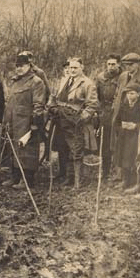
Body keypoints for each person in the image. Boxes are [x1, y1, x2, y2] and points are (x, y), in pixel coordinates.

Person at [51, 57, 98, 189]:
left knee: (76, 151)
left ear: (81, 68)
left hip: (76, 123)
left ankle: (78, 181)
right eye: (70, 67)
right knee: (64, 149)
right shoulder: (65, 81)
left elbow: (92, 105)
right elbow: (55, 97)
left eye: (75, 68)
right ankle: (68, 177)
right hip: (61, 120)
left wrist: (81, 119)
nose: (72, 70)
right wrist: (53, 107)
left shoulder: (88, 83)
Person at [3, 52, 46, 189]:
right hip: (13, 121)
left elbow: (39, 105)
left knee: (27, 151)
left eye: (22, 66)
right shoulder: (15, 81)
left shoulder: (36, 82)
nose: (19, 68)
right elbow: (10, 102)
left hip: (26, 122)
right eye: (17, 66)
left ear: (29, 65)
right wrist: (6, 121)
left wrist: (34, 124)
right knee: (14, 149)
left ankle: (27, 180)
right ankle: (15, 177)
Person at [111, 53, 140, 195]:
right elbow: (118, 95)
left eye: (131, 65)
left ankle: (138, 183)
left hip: (137, 117)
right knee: (122, 150)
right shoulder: (123, 76)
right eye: (126, 65)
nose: (129, 68)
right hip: (123, 115)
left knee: (136, 152)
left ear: (138, 64)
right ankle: (125, 180)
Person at [96, 54, 122, 180]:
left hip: (119, 113)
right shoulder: (101, 78)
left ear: (119, 64)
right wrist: (99, 111)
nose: (111, 67)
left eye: (113, 64)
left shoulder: (123, 77)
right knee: (105, 142)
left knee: (118, 141)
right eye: (109, 64)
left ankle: (118, 171)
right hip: (105, 113)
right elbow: (96, 96)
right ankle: (105, 170)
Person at [113, 84, 140, 189]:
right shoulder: (123, 106)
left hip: (135, 137)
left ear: (138, 94)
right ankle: (125, 180)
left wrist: (135, 126)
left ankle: (135, 182)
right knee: (122, 157)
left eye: (132, 93)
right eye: (127, 94)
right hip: (123, 135)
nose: (129, 96)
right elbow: (116, 121)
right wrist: (120, 127)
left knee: (132, 158)